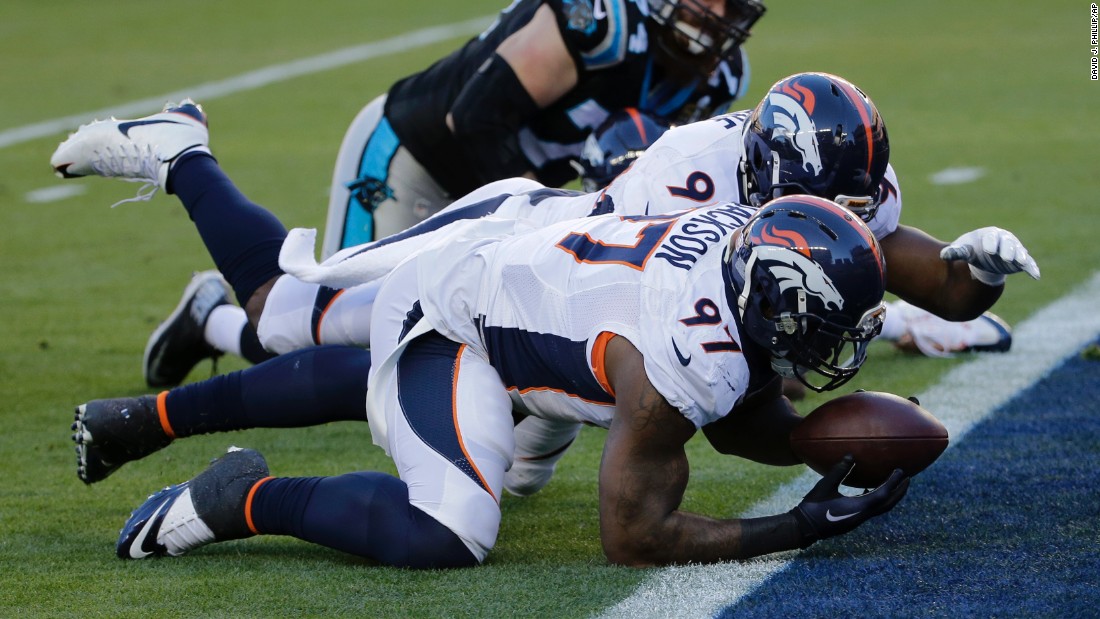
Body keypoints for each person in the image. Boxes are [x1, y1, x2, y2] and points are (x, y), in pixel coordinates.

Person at [52, 72, 1039, 494]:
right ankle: (186, 161)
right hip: (528, 256)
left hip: (589, 317)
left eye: (853, 200)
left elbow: (907, 269)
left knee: (515, 469)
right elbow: (664, 313)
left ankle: (208, 321)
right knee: (296, 318)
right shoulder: (690, 169)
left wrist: (970, 277)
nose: (843, 218)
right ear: (769, 177)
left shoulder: (843, 186)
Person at [52, 109, 911, 563]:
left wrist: (810, 445)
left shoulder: (740, 243)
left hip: (532, 268)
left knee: (314, 336)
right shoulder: (677, 356)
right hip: (455, 310)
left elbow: (735, 406)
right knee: (450, 524)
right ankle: (236, 499)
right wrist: (798, 526)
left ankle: (153, 410)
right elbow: (635, 536)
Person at [140, 0, 769, 390]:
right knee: (325, 324)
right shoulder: (597, 20)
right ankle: (215, 308)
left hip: (510, 193)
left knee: (432, 338)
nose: (719, 11)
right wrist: (529, 220)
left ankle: (209, 323)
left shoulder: (721, 75)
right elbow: (472, 118)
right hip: (415, 154)